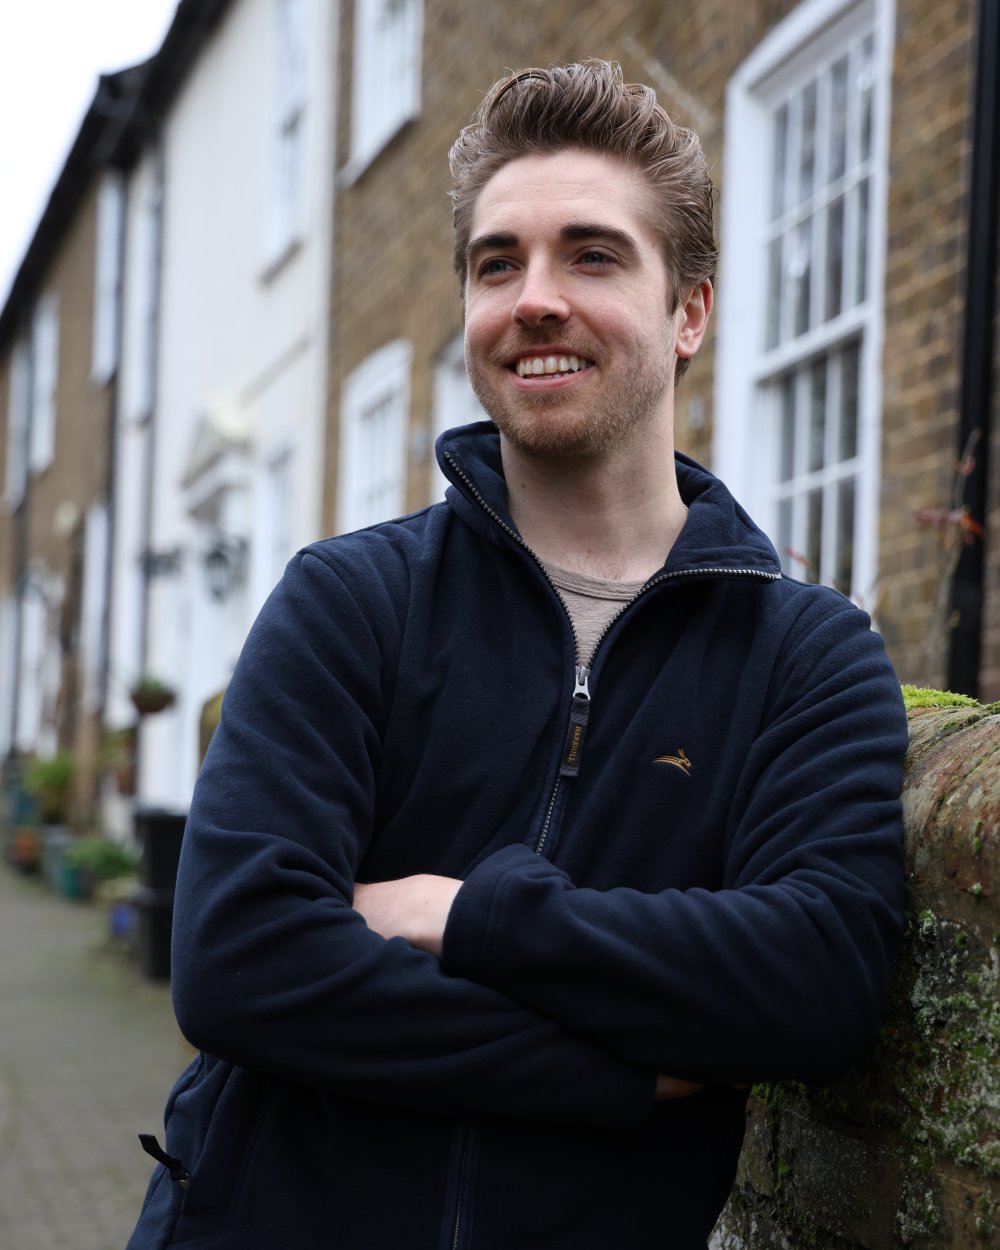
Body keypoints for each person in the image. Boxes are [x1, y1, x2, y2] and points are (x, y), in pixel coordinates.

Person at [127, 60, 907, 1250]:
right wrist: (624, 1072)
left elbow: (811, 980)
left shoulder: (808, 658)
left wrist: (464, 912)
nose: (533, 298)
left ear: (689, 310)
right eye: (499, 263)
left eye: (592, 255)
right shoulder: (350, 600)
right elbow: (238, 958)